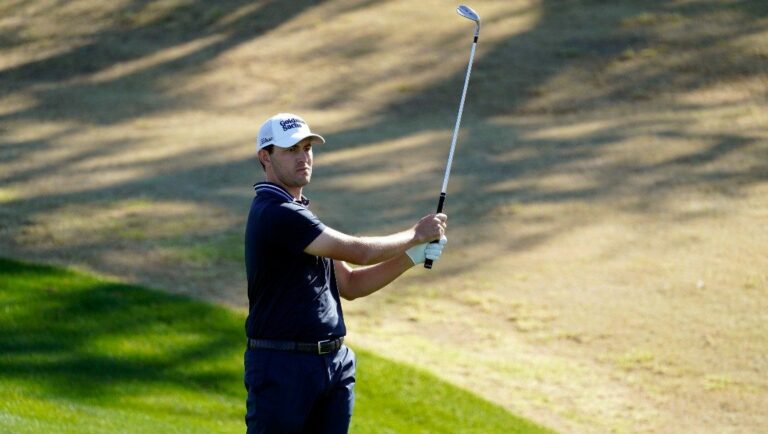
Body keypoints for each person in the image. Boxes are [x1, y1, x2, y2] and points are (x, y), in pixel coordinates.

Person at [243, 113, 448, 433]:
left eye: (307, 147)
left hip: (332, 364)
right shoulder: (275, 213)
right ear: (264, 157)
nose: (303, 157)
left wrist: (412, 256)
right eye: (291, 150)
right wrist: (415, 234)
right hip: (283, 367)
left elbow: (351, 284)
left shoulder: (300, 214)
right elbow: (360, 252)